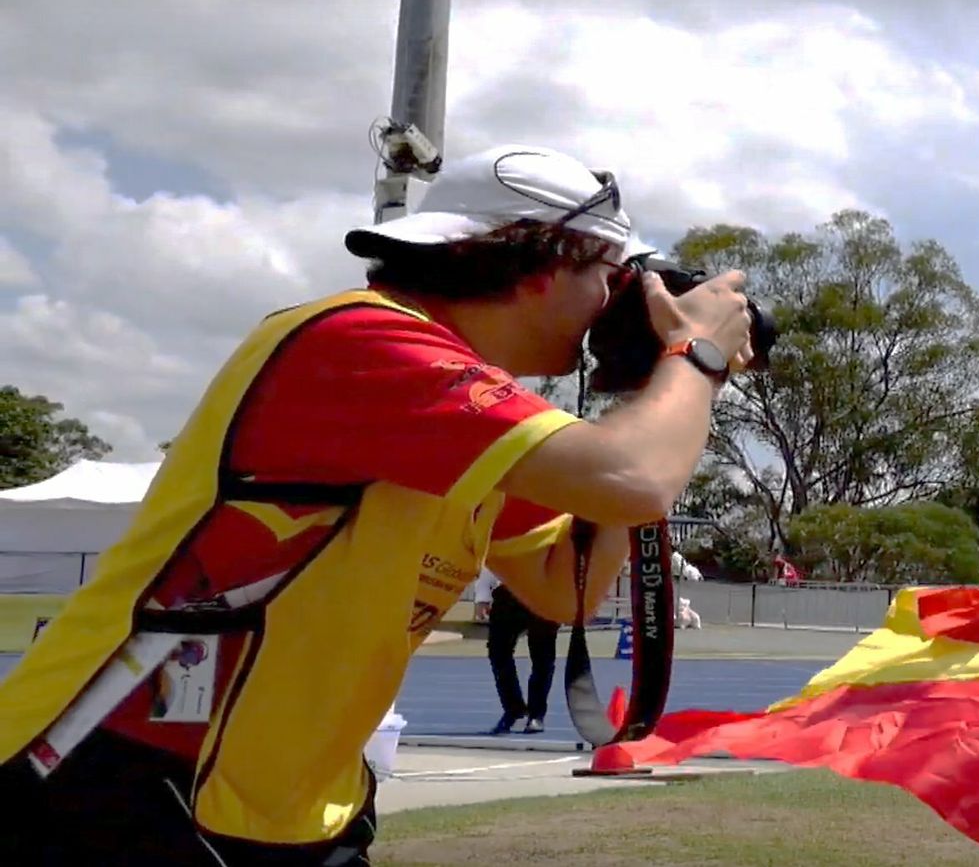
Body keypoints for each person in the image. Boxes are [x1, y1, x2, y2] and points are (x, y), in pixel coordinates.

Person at [0, 144, 754, 865]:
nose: (614, 302)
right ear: (545, 263)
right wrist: (698, 357)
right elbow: (631, 477)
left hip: (289, 803)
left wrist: (650, 391)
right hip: (114, 769)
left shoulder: (475, 410)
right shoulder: (361, 340)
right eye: (612, 275)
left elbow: (568, 585)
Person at [475, 568, 560, 734]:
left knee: (543, 657)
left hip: (545, 591)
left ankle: (536, 715)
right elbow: (492, 556)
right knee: (497, 652)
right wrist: (482, 596)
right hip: (509, 590)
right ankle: (514, 708)